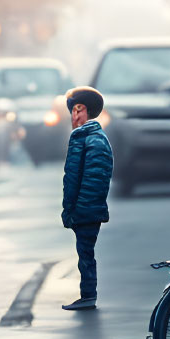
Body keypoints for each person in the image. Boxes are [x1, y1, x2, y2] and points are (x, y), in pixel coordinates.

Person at [60, 86, 113, 310]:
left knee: (86, 255)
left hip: (86, 210)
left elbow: (95, 179)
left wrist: (80, 209)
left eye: (78, 110)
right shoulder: (83, 137)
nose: (74, 116)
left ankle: (88, 296)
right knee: (84, 254)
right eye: (72, 111)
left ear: (88, 111)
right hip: (81, 209)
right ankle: (87, 295)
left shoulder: (94, 140)